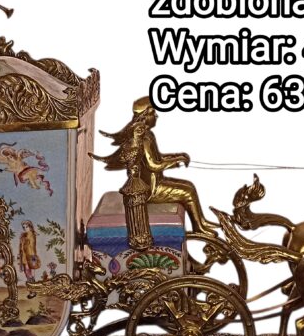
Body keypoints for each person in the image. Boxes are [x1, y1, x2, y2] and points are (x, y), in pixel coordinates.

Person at [93, 97, 217, 236]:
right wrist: (175, 162)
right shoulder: (143, 139)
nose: (156, 116)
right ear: (145, 117)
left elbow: (158, 158)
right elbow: (153, 165)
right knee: (187, 192)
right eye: (153, 113)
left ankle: (201, 222)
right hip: (151, 189)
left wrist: (178, 157)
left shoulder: (148, 135)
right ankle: (198, 227)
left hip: (158, 181)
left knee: (190, 186)